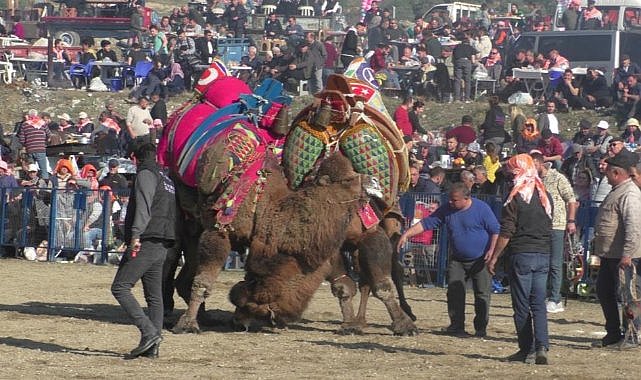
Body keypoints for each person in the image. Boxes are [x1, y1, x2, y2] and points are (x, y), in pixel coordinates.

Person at [398, 183, 500, 337]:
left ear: (466, 198)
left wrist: (492, 251)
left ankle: (480, 328)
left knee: (482, 294)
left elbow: (495, 231)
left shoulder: (482, 209)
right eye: (450, 200)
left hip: (480, 259)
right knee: (454, 292)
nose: (451, 202)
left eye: (455, 200)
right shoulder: (447, 209)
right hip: (458, 259)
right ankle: (456, 326)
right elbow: (427, 223)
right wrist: (407, 234)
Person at [111, 142, 176, 359]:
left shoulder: (146, 174)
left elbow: (144, 206)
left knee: (120, 287)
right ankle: (152, 347)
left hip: (147, 238)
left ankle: (148, 332)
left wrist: (136, 235)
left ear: (133, 157)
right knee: (154, 296)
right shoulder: (166, 178)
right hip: (163, 240)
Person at [488, 154, 553, 364]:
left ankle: (526, 348)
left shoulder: (515, 196)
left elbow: (506, 231)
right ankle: (542, 346)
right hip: (543, 253)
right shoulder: (545, 195)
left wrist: (494, 257)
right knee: (539, 304)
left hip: (521, 254)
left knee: (522, 305)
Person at [591, 151, 641, 348]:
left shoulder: (630, 194)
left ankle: (632, 335)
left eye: (609, 171)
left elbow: (634, 225)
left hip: (624, 256)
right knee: (605, 292)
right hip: (610, 254)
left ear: (617, 172)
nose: (605, 174)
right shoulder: (618, 190)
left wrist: (627, 253)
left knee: (628, 296)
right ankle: (613, 333)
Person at [531, 152, 577, 314]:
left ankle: (555, 298)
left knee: (555, 263)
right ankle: (542, 295)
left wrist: (571, 221)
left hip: (557, 225)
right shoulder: (535, 181)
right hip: (541, 226)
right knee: (542, 262)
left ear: (539, 163)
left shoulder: (558, 178)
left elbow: (571, 199)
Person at [18, 109, 50, 181]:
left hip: (30, 149)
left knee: (31, 169)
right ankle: (45, 186)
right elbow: (49, 134)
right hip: (41, 149)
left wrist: (26, 144)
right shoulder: (42, 123)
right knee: (43, 169)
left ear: (29, 116)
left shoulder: (25, 124)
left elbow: (22, 139)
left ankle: (32, 185)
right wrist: (44, 141)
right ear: (36, 115)